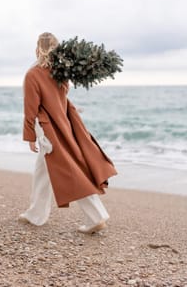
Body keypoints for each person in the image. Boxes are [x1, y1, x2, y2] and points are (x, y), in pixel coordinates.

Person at [19, 32, 118, 234]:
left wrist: (30, 136)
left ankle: (96, 216)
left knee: (70, 171)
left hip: (49, 131)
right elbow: (60, 100)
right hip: (63, 127)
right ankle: (36, 214)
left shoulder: (33, 74)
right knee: (43, 172)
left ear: (38, 48)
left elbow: (31, 109)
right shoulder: (60, 73)